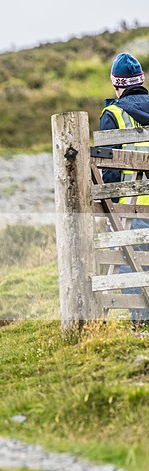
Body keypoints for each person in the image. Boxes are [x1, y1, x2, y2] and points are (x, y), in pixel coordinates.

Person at [99, 52, 149, 323]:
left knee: (131, 262)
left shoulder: (113, 114)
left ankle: (140, 322)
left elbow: (109, 170)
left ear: (116, 83)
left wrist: (107, 207)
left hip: (129, 208)